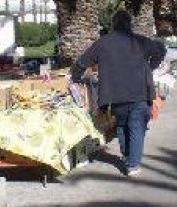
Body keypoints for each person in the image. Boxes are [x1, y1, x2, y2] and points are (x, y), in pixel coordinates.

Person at [71, 10, 166, 177]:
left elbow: (82, 62)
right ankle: (132, 165)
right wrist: (150, 68)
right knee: (136, 127)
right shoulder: (140, 41)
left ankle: (127, 158)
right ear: (129, 24)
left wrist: (75, 78)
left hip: (115, 95)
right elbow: (161, 50)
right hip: (140, 93)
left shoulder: (103, 43)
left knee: (122, 125)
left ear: (113, 24)